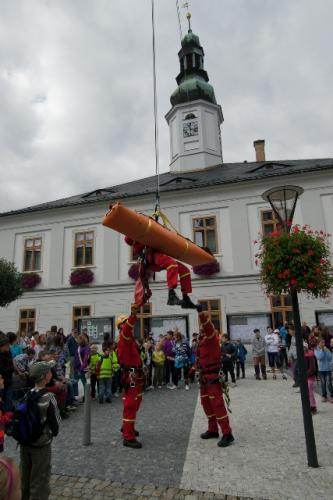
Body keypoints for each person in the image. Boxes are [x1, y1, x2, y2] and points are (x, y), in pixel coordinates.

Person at [194, 308, 234, 447]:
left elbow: (208, 326)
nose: (201, 328)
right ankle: (212, 429)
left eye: (202, 327)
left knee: (217, 404)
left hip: (213, 377)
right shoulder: (202, 341)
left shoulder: (212, 338)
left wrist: (201, 315)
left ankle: (227, 433)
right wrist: (192, 369)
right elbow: (199, 358)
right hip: (204, 377)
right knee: (206, 404)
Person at [20, 361, 61, 500]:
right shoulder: (49, 398)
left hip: (25, 443)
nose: (51, 373)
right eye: (49, 372)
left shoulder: (27, 394)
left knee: (25, 476)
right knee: (40, 479)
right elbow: (56, 426)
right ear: (45, 377)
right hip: (41, 445)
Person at [125, 236, 198, 309]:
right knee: (172, 264)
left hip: (158, 255)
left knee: (185, 270)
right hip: (152, 257)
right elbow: (131, 240)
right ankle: (171, 295)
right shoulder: (137, 241)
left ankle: (186, 298)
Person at [116, 305, 144, 449]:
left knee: (137, 400)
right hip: (131, 376)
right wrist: (132, 315)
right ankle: (128, 437)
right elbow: (127, 328)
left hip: (136, 374)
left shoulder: (130, 339)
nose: (131, 326)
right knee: (131, 404)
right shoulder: (125, 336)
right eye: (126, 323)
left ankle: (127, 426)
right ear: (121, 326)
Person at [0, 332, 14, 412]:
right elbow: (2, 370)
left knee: (9, 400)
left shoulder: (8, 352)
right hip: (1, 382)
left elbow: (11, 365)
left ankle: (8, 419)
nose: (9, 346)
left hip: (8, 381)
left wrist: (9, 369)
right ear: (2, 345)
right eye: (7, 345)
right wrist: (10, 369)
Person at [303, 342, 318, 414]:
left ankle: (313, 406)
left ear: (306, 347)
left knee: (310, 392)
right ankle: (308, 406)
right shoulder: (301, 355)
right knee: (306, 393)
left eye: (304, 347)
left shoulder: (310, 355)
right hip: (304, 377)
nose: (303, 348)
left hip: (310, 376)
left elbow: (312, 368)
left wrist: (305, 374)